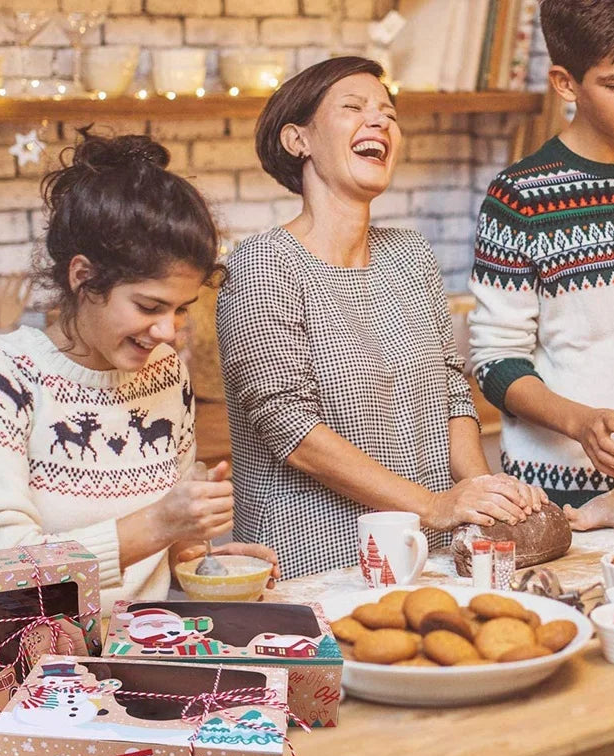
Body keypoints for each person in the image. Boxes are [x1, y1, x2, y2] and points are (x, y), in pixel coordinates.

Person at [216, 56, 544, 581]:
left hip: (431, 556)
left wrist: (482, 500)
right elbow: (292, 432)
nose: (380, 122)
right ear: (297, 140)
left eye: (388, 113)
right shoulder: (262, 264)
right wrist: (434, 505)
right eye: (354, 108)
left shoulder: (411, 255)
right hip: (318, 566)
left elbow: (451, 391)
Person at [0, 130, 278, 612]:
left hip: (142, 651)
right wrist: (161, 523)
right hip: (31, 672)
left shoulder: (163, 373)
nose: (167, 331)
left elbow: (160, 553)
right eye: (148, 305)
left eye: (182, 309)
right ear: (83, 277)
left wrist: (207, 567)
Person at [469, 0, 614, 532]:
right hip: (558, 492)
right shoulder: (520, 198)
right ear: (565, 83)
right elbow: (494, 362)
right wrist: (581, 423)